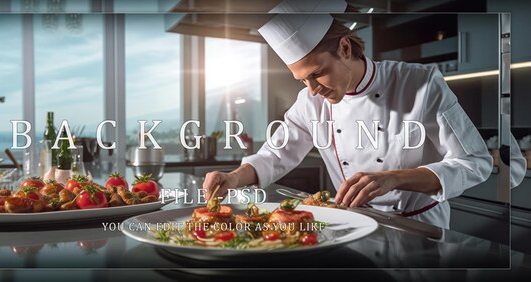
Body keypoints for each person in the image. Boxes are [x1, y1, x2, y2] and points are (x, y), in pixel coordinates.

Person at [202, 0, 492, 229]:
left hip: (420, 228)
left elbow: (476, 162)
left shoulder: (420, 83)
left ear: (344, 48)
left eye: (317, 74)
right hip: (354, 225)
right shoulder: (309, 102)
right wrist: (234, 178)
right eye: (302, 80)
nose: (312, 89)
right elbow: (275, 155)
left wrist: (395, 178)